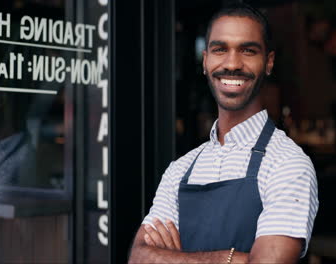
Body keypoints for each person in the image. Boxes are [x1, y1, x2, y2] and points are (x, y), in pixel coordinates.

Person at [129, 3, 319, 263]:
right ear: (205, 61)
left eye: (248, 51)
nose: (232, 63)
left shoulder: (288, 164)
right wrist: (230, 258)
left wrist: (174, 257)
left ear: (269, 62)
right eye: (220, 49)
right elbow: (139, 256)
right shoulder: (180, 170)